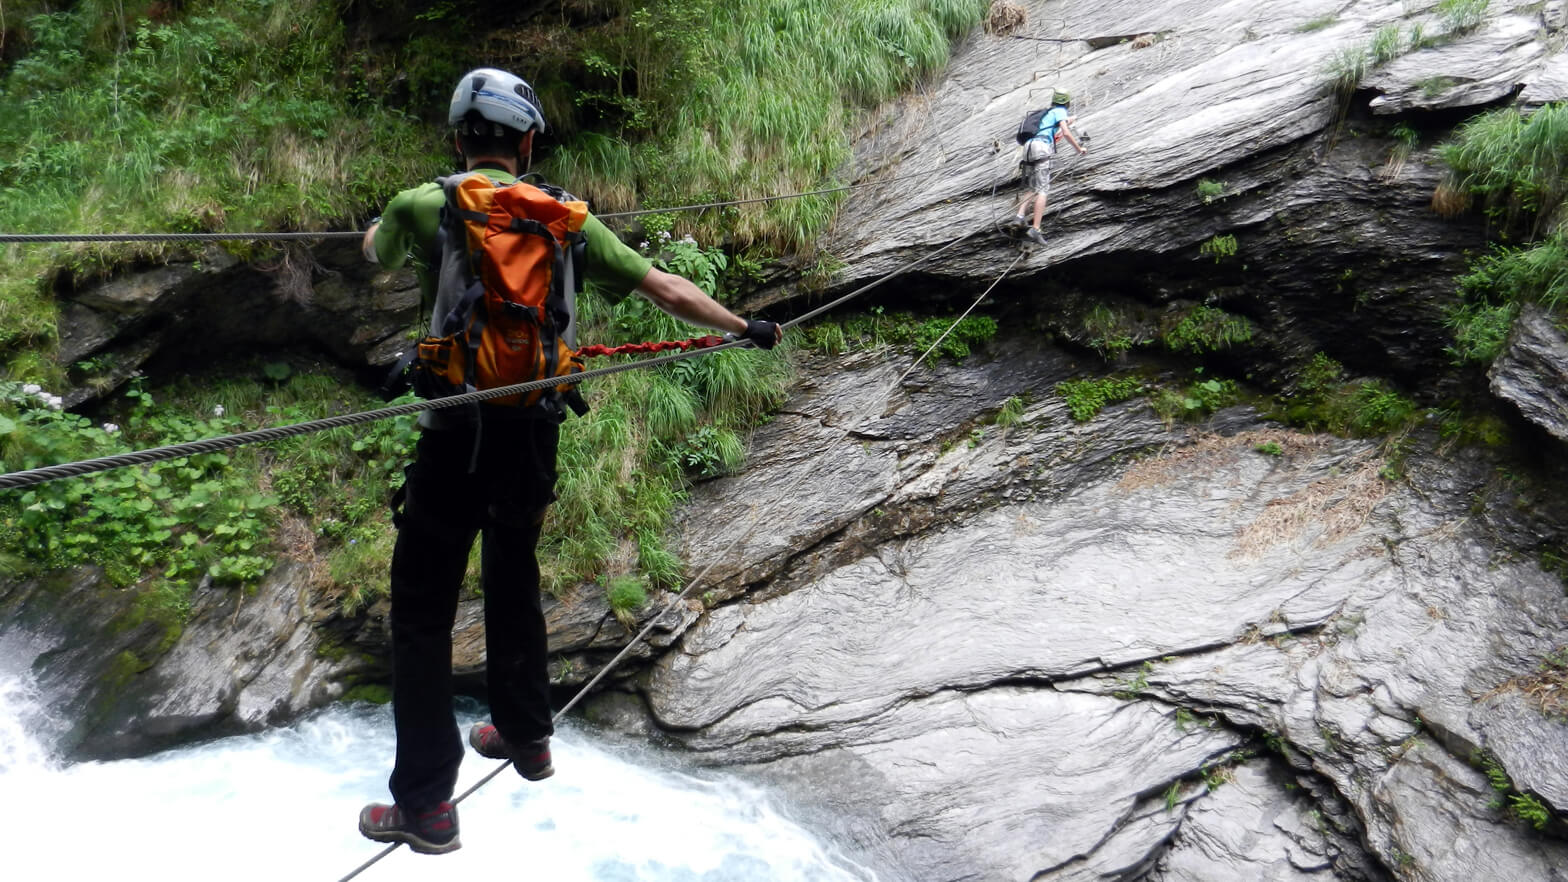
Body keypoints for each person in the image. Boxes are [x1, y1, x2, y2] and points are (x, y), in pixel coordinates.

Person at [356, 66, 783, 855]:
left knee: (422, 617)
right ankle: (528, 737)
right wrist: (743, 326)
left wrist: (385, 231)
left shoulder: (428, 203)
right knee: (513, 576)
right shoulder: (569, 222)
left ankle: (425, 805)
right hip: (531, 432)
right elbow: (668, 290)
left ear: (458, 138)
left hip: (453, 434)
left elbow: (375, 253)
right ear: (525, 143)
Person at [1010, 87, 1087, 246]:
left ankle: (1019, 217)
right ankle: (1036, 229)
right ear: (1066, 102)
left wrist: (1069, 119)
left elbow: (1056, 130)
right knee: (1043, 190)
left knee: (1032, 188)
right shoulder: (1060, 111)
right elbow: (1065, 132)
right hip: (1041, 148)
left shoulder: (1048, 113)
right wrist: (1079, 149)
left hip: (1028, 147)